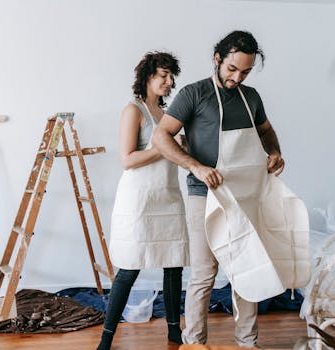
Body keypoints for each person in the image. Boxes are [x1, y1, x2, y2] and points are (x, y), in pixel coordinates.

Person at [152, 30, 286, 347]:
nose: (237, 77)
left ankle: (248, 341)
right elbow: (161, 137)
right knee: (203, 273)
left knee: (248, 267)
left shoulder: (251, 97)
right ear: (217, 59)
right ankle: (195, 343)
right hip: (205, 196)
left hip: (246, 196)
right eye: (232, 69)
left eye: (245, 71)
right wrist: (195, 167)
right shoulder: (194, 94)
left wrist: (275, 153)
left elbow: (267, 131)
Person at [97, 51, 189, 350]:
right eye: (163, 75)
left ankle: (175, 333)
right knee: (129, 267)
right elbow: (127, 159)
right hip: (140, 199)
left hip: (168, 195)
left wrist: (181, 147)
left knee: (174, 266)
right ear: (147, 76)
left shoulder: (168, 114)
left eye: (171, 76)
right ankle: (106, 338)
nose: (168, 81)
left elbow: (175, 153)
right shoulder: (133, 110)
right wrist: (166, 147)